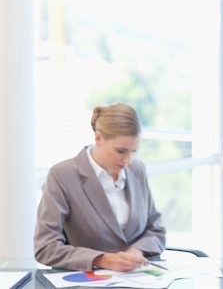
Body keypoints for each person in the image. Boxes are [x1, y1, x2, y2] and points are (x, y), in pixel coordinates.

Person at [34, 103, 166, 272]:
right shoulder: (62, 176)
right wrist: (102, 259)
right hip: (89, 280)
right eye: (121, 151)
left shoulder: (137, 170)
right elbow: (45, 248)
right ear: (98, 139)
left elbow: (156, 229)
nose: (128, 160)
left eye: (134, 151)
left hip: (139, 278)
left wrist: (136, 251)